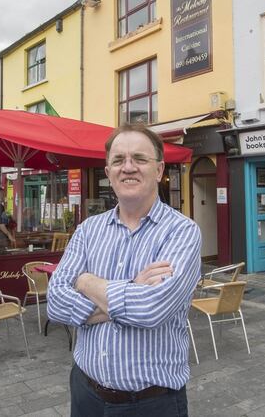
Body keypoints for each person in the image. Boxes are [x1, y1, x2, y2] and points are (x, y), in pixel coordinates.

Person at [48, 124, 201, 416]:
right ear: (108, 172)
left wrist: (84, 280)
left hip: (151, 403)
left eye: (139, 159)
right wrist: (133, 285)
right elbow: (55, 303)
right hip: (85, 394)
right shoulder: (88, 230)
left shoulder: (183, 232)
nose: (128, 167)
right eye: (118, 160)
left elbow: (151, 309)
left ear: (159, 170)